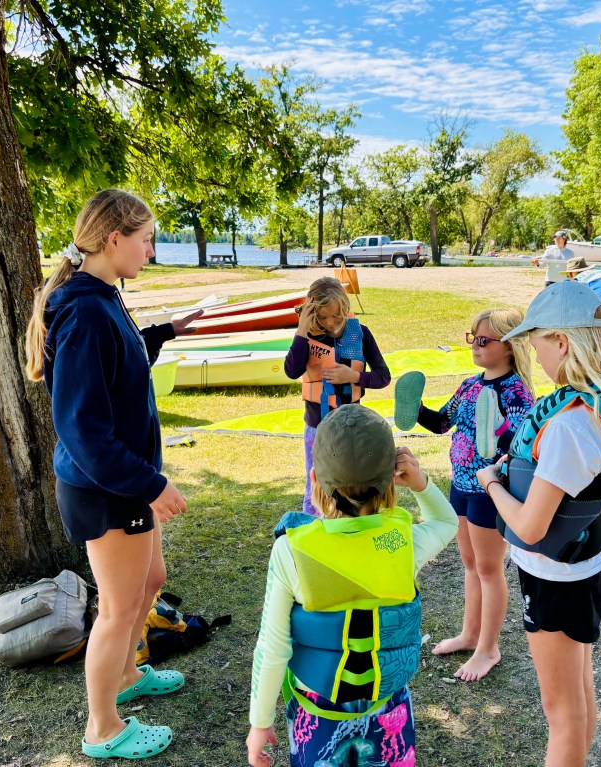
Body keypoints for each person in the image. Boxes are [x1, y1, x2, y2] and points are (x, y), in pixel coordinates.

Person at [24, 189, 202, 760]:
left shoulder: (103, 296)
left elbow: (120, 361)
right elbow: (84, 430)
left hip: (122, 479)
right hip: (105, 487)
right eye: (146, 239)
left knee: (151, 581)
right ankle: (103, 728)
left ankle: (129, 675)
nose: (151, 249)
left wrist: (166, 331)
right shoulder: (84, 309)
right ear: (113, 239)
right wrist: (151, 484)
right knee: (120, 608)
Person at [476, 280, 601, 767]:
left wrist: (492, 481)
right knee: (579, 691)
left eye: (539, 344)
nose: (538, 356)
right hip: (591, 564)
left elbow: (529, 529)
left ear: (563, 343)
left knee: (561, 711)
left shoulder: (570, 425)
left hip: (555, 576)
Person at [245, 405, 458, 767]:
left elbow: (273, 647)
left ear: (314, 479)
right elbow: (445, 522)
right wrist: (421, 482)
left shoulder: (291, 551)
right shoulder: (403, 543)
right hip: (388, 716)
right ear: (393, 479)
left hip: (318, 719)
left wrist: (259, 723)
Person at [393, 309, 535, 682]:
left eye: (484, 340)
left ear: (510, 345)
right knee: (471, 565)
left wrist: (500, 430)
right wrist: (416, 410)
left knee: (490, 570)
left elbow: (525, 444)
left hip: (493, 488)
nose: (476, 345)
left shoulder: (517, 390)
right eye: (473, 337)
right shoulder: (471, 385)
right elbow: (443, 423)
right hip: (462, 485)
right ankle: (470, 634)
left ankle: (489, 648)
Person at [284, 277, 391, 516]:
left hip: (352, 428)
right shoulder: (307, 335)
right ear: (311, 312)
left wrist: (353, 376)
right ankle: (313, 533)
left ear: (345, 308)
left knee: (354, 484)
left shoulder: (360, 333)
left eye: (336, 316)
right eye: (322, 317)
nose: (330, 323)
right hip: (317, 425)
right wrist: (302, 328)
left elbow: (383, 377)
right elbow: (291, 371)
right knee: (315, 485)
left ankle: (353, 528)